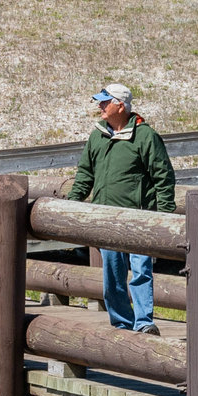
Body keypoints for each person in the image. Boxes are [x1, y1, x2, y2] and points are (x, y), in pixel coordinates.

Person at [68, 84, 176, 332]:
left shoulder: (145, 136)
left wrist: (165, 217)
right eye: (100, 101)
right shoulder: (97, 135)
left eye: (105, 102)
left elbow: (164, 177)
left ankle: (144, 323)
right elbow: (85, 174)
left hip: (138, 218)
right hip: (106, 219)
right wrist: (70, 205)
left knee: (140, 273)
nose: (100, 106)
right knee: (112, 276)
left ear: (121, 105)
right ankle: (121, 323)